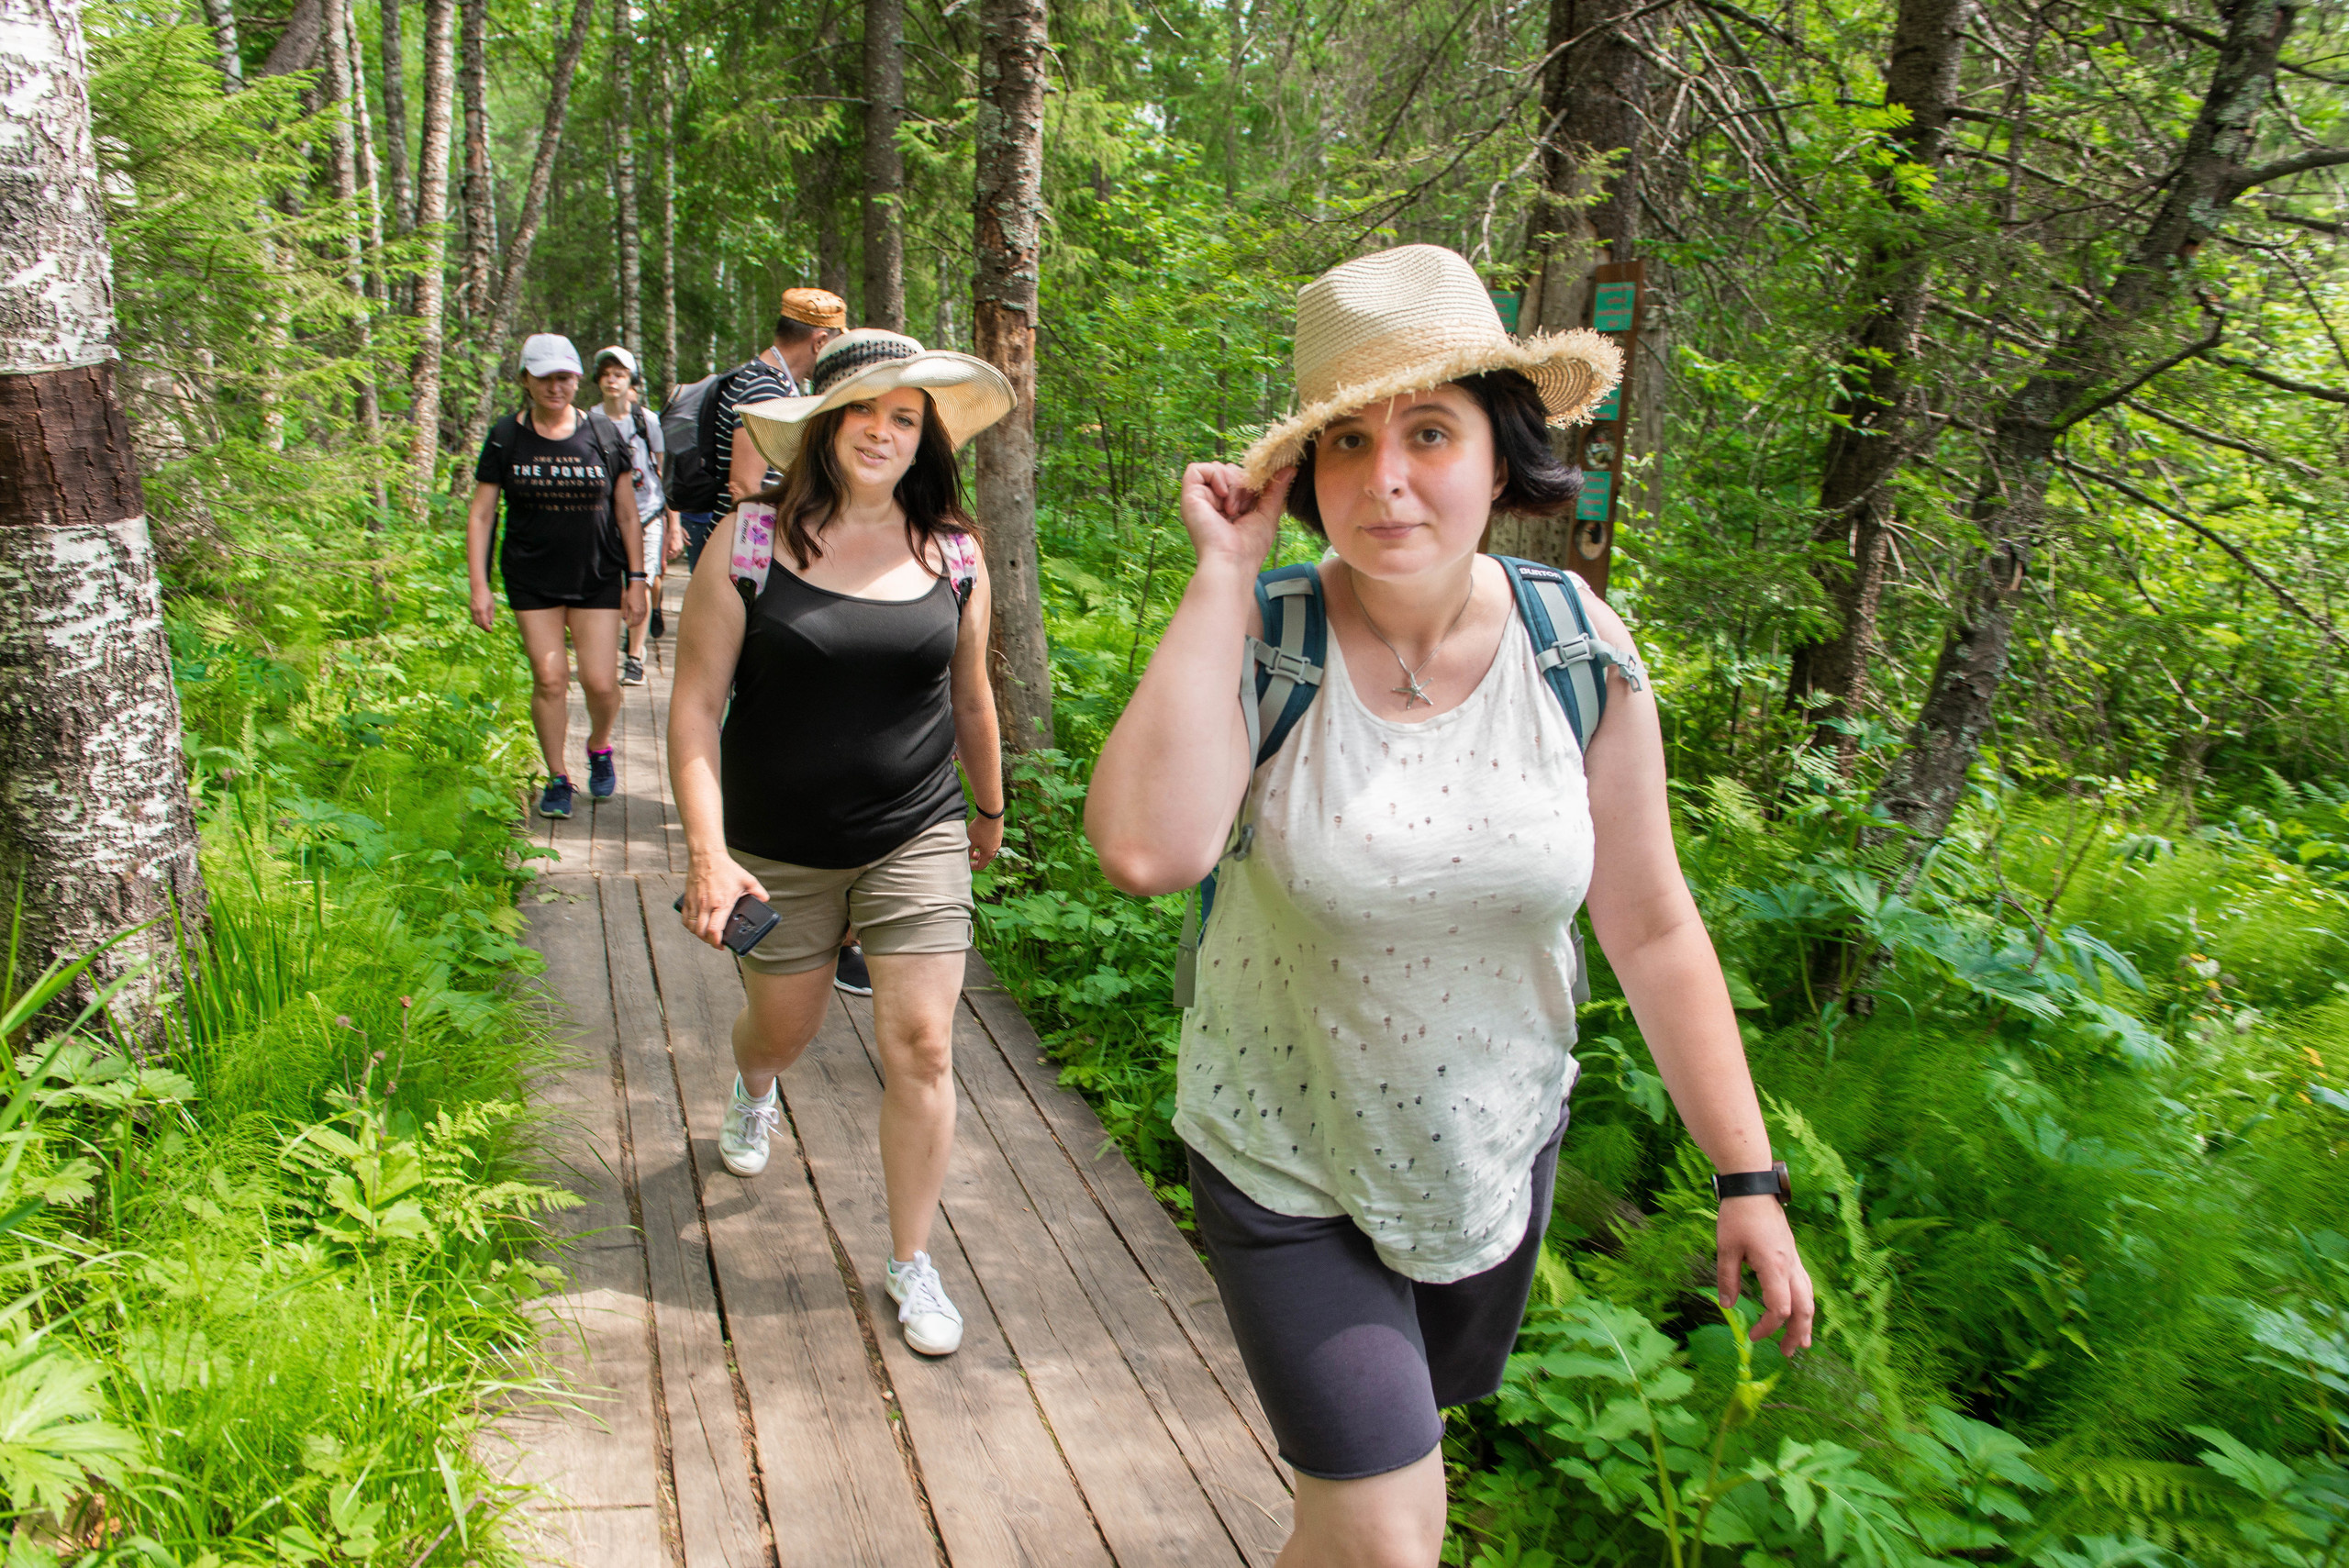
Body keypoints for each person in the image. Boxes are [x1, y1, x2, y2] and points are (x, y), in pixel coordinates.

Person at [1085, 245, 1815, 1568]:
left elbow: (1650, 923)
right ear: (1306, 475)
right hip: (1285, 1150)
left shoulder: (1577, 647)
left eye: (1430, 432)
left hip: (1487, 1159)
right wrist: (1218, 576)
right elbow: (1146, 852)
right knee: (1385, 1535)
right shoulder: (1267, 634)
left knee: (1376, 1517)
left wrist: (1746, 1172)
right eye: (1348, 444)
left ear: (1500, 448)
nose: (1390, 479)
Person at [667, 328, 1015, 1360]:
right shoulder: (747, 541)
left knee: (921, 1043)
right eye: (863, 409)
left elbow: (971, 692)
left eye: (904, 416)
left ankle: (911, 1259)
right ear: (822, 421)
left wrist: (987, 811)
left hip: (917, 827)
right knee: (782, 1028)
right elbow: (692, 712)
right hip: (776, 843)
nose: (882, 430)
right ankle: (754, 1086)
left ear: (925, 438)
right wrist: (706, 851)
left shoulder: (953, 549)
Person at [467, 333, 647, 818]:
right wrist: (479, 586)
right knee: (549, 678)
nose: (555, 387)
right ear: (525, 379)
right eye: (544, 377)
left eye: (564, 377)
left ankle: (599, 744)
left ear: (575, 379)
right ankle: (558, 776)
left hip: (597, 574)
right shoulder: (507, 435)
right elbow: (483, 513)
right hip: (532, 576)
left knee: (602, 682)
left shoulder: (605, 435)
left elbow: (627, 514)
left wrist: (637, 579)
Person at [672, 286, 848, 573]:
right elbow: (744, 486)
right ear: (820, 341)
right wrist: (757, 565)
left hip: (742, 545)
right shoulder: (764, 388)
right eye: (833, 346)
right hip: (742, 553)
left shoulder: (763, 378)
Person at [594, 345, 684, 684]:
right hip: (606, 516)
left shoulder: (647, 421)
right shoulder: (591, 420)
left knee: (641, 581)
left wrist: (672, 522)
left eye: (618, 374)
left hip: (646, 513)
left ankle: (634, 657)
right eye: (605, 375)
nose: (611, 381)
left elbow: (660, 472)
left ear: (630, 380)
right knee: (615, 585)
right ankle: (617, 644)